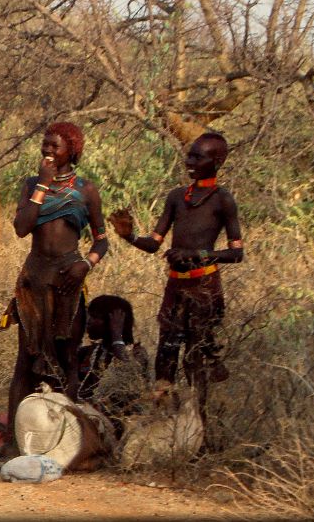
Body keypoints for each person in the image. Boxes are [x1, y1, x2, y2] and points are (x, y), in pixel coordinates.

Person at [108, 131, 242, 420]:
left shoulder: (223, 200)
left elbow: (236, 253)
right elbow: (154, 243)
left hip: (205, 287)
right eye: (189, 154)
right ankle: (164, 424)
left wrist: (197, 256)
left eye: (197, 156)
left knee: (197, 359)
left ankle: (198, 426)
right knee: (165, 356)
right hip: (175, 288)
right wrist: (129, 236)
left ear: (217, 161)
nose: (189, 161)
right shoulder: (177, 197)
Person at [3, 121, 108, 454]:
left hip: (68, 280)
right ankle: (12, 444)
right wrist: (43, 186)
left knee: (67, 359)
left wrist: (86, 264)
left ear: (72, 150)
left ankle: (66, 443)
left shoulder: (86, 190)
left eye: (55, 146)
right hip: (34, 279)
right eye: (45, 144)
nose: (48, 150)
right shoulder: (31, 184)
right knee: (25, 360)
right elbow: (22, 227)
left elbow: (102, 241)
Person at [76, 294, 151, 436]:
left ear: (113, 323)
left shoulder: (137, 354)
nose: (89, 322)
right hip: (87, 423)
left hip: (122, 427)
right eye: (89, 316)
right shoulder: (87, 353)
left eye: (95, 317)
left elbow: (128, 375)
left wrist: (117, 336)